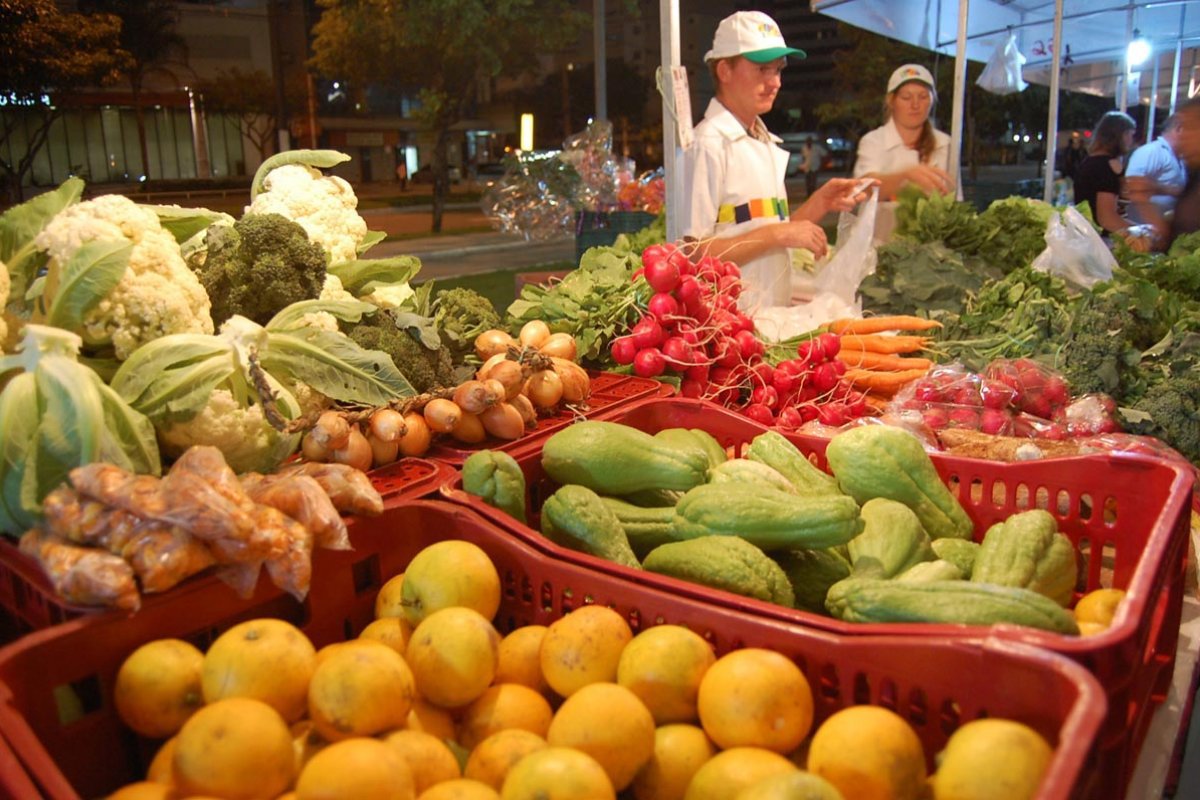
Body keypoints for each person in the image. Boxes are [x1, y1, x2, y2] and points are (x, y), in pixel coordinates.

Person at [681, 10, 874, 311]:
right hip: (727, 322)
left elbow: (770, 233)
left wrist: (819, 203)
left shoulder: (761, 140)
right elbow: (691, 254)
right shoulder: (708, 143)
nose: (775, 83)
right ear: (724, 71)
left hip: (767, 314)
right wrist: (777, 233)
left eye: (778, 70)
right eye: (762, 69)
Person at [852, 64, 955, 241]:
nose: (915, 105)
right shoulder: (873, 141)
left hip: (928, 246)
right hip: (876, 242)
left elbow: (953, 198)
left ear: (932, 101)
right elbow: (864, 187)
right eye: (906, 97)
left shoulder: (945, 144)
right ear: (891, 101)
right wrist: (905, 176)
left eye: (923, 97)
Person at [1132, 98, 1200, 248]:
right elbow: (1171, 239)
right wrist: (1143, 200)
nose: (1182, 136)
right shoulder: (1194, 177)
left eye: (1189, 127)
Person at [1072, 111, 1136, 236]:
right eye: (1130, 134)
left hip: (1085, 235)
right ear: (1120, 136)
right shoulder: (1107, 166)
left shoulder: (1089, 162)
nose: (1131, 140)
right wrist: (1142, 232)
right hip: (1101, 239)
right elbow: (1107, 219)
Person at [1125, 114, 1187, 225]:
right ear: (1179, 129)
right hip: (1145, 225)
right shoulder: (1151, 151)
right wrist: (1172, 190)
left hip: (1166, 226)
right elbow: (1131, 184)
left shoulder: (1180, 158)